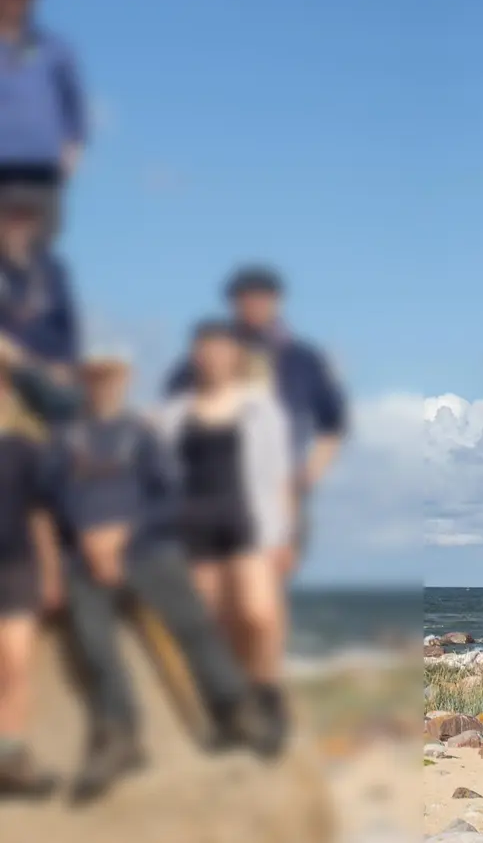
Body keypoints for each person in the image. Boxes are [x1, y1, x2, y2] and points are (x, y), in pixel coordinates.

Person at [50, 351, 274, 803]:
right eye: (93, 376)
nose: (102, 384)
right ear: (83, 381)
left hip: (147, 549)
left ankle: (235, 712)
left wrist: (123, 532)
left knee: (195, 628)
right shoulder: (64, 439)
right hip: (84, 560)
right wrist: (87, 538)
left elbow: (170, 497)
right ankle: (120, 736)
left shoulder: (141, 434)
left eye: (110, 376)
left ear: (123, 380)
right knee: (94, 645)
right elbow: (52, 497)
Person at [152, 320, 295, 755]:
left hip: (247, 526)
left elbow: (278, 476)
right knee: (210, 626)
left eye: (221, 350)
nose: (213, 358)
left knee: (258, 615)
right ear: (196, 357)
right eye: (205, 350)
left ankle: (267, 702)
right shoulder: (175, 414)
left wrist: (284, 536)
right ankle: (226, 714)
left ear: (234, 357)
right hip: (194, 531)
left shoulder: (259, 408)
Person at [166, 266, 345, 578]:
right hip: (210, 492)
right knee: (209, 585)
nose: (252, 305)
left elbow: (332, 423)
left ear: (277, 301)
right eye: (244, 298)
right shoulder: (202, 358)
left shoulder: (303, 359)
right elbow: (172, 416)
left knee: (269, 580)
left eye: (261, 298)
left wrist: (309, 474)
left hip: (281, 487)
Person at [0, 0, 86, 251]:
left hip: (42, 172)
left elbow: (75, 104)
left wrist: (74, 147)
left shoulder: (55, 49)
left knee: (36, 260)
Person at [0, 362, 56, 798]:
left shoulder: (25, 446)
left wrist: (52, 570)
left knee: (15, 661)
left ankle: (10, 756)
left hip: (16, 563)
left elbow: (40, 514)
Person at [0, 181, 79, 421]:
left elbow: (69, 330)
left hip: (44, 379)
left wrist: (65, 367)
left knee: (73, 401)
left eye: (25, 218)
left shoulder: (52, 270)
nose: (17, 225)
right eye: (11, 216)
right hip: (8, 371)